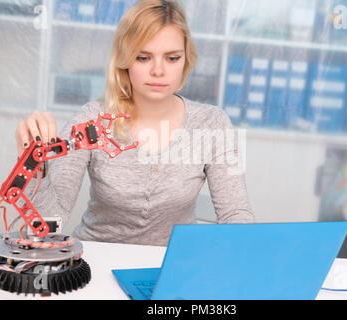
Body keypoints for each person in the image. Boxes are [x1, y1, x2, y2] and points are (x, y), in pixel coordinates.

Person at [14, 0, 255, 246]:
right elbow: (45, 226)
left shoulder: (212, 124)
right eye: (143, 57)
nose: (158, 70)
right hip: (96, 262)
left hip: (171, 268)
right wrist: (35, 167)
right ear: (126, 60)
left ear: (186, 60)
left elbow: (236, 215)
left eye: (172, 58)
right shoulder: (92, 121)